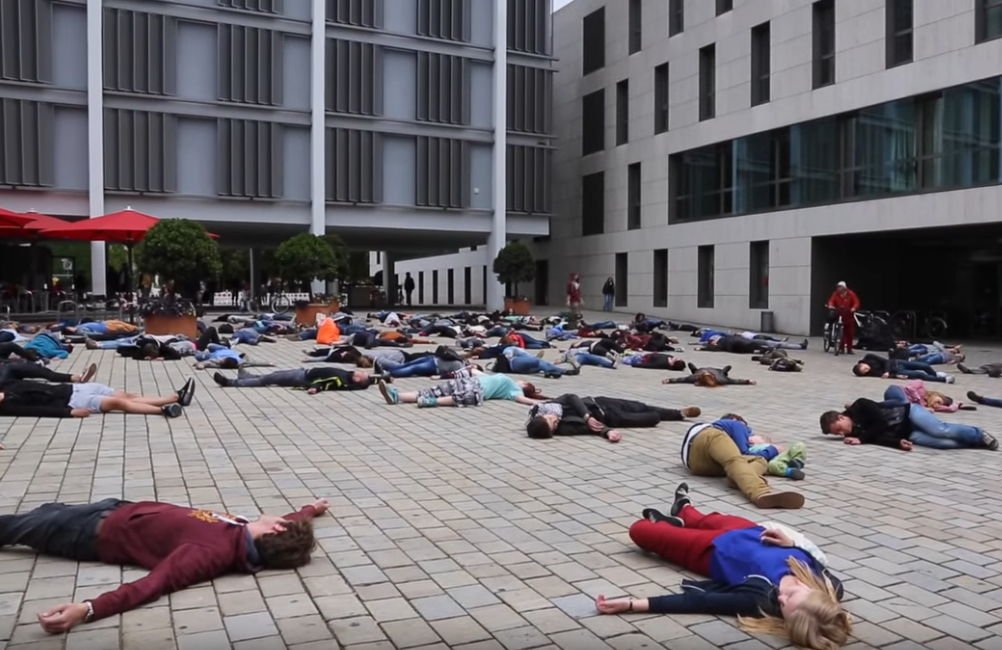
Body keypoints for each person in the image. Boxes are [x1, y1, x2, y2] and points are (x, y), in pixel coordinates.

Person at [1, 497, 328, 634]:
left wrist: (86, 609)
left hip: (83, 531)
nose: (275, 517)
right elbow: (289, 520)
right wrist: (309, 509)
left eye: (280, 522)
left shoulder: (211, 552)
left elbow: (153, 585)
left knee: (11, 526)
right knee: (41, 511)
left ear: (275, 531)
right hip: (114, 509)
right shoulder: (248, 535)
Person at [597, 485, 850, 650]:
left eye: (783, 606)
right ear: (815, 594)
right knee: (701, 517)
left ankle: (669, 526)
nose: (781, 597)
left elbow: (698, 604)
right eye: (791, 596)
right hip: (750, 531)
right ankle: (682, 511)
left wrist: (632, 604)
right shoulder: (831, 585)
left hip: (710, 550)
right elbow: (813, 557)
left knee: (640, 531)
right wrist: (791, 543)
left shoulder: (760, 600)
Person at [679, 415, 805, 508]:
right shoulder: (735, 424)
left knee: (760, 460)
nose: (749, 432)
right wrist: (773, 448)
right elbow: (744, 452)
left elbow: (744, 455)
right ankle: (760, 493)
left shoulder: (727, 441)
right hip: (706, 438)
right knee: (735, 461)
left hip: (696, 465)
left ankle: (736, 479)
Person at [819, 387, 997, 451]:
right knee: (943, 444)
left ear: (841, 416)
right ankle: (974, 444)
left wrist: (861, 439)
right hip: (908, 432)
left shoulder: (861, 405)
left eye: (839, 428)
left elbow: (880, 423)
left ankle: (978, 434)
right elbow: (878, 438)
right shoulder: (856, 433)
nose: (842, 433)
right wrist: (898, 443)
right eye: (838, 434)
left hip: (909, 413)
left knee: (940, 430)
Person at [525, 394, 700, 442]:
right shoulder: (564, 429)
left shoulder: (549, 406)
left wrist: (586, 416)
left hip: (600, 401)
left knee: (640, 405)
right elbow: (590, 429)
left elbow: (572, 397)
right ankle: (674, 415)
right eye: (553, 427)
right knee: (651, 418)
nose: (555, 422)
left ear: (542, 416)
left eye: (550, 420)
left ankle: (679, 413)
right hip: (610, 417)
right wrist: (608, 432)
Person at [0, 377, 195, 419]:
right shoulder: (7, 406)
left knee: (127, 395)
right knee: (118, 403)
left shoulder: (7, 385)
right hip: (72, 402)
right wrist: (68, 413)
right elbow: (35, 411)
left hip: (74, 388)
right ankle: (164, 410)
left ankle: (176, 396)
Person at [377, 370, 544, 408]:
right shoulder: (505, 382)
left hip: (477, 389)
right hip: (470, 381)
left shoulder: (514, 390)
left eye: (525, 382)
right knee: (435, 389)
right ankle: (396, 396)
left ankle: (430, 402)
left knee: (462, 396)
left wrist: (544, 403)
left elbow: (523, 400)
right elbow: (480, 373)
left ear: (525, 386)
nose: (521, 380)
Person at [212, 367, 377, 393]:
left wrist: (315, 388)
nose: (361, 371)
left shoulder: (341, 379)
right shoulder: (348, 377)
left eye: (361, 373)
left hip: (302, 377)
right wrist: (383, 379)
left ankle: (231, 383)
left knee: (267, 380)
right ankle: (245, 377)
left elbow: (324, 384)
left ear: (356, 379)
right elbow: (369, 381)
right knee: (270, 376)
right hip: (302, 372)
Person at [852, 353, 953, 384]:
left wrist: (886, 371)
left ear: (862, 364)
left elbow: (886, 361)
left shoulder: (869, 357)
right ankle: (943, 379)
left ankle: (935, 375)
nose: (867, 370)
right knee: (919, 375)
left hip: (897, 362)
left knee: (924, 366)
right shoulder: (871, 372)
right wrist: (896, 376)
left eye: (865, 368)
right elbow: (882, 375)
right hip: (897, 370)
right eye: (865, 372)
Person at [826, 281, 860, 354]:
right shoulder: (835, 294)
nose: (838, 288)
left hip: (848, 315)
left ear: (844, 288)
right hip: (839, 314)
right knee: (841, 332)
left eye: (840, 287)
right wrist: (831, 306)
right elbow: (831, 300)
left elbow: (856, 302)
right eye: (838, 287)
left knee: (850, 333)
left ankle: (849, 349)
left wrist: (854, 308)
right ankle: (841, 348)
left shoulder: (851, 294)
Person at [662, 364, 756, 387]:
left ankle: (693, 368)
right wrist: (748, 381)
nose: (706, 372)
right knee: (724, 372)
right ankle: (725, 369)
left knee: (694, 369)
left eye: (705, 374)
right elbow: (735, 381)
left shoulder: (695, 377)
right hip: (718, 371)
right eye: (707, 374)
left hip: (699, 369)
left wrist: (669, 380)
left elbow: (681, 379)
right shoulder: (721, 379)